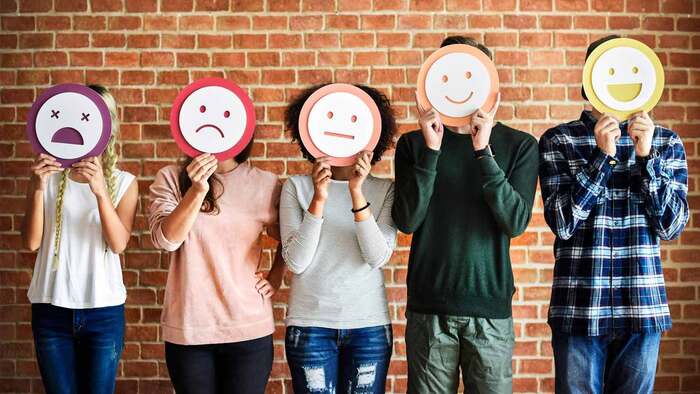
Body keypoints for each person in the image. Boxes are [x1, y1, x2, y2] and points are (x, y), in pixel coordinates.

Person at [539, 35, 689, 394]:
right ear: (589, 79)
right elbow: (563, 222)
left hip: (642, 303)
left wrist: (646, 157)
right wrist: (602, 157)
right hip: (579, 306)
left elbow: (671, 226)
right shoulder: (559, 140)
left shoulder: (666, 143)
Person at [392, 36, 540, 393]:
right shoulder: (413, 145)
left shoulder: (520, 146)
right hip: (430, 309)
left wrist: (482, 150)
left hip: (490, 310)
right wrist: (432, 150)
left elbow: (515, 221)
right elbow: (407, 220)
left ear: (489, 83)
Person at [280, 83, 398, 394]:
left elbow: (377, 256)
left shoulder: (384, 189)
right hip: (310, 326)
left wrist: (356, 192)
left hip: (368, 327)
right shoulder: (296, 187)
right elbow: (296, 261)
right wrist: (320, 197)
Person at [23, 85, 139, 394]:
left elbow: (118, 244)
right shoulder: (46, 178)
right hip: (50, 308)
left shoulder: (125, 183)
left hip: (103, 312)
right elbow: (31, 242)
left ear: (107, 127)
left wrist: (100, 192)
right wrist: (36, 188)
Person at [148, 141, 285, 394]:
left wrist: (275, 276)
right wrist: (197, 190)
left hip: (248, 328)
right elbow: (166, 240)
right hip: (190, 329)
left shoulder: (265, 183)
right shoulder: (170, 178)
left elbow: (292, 238)